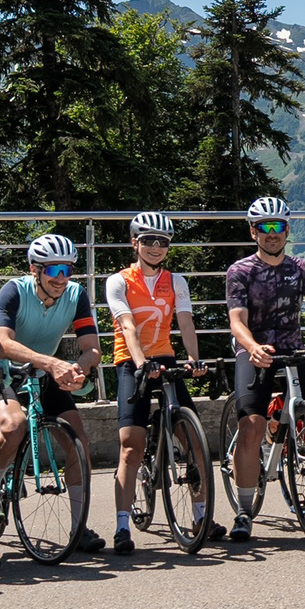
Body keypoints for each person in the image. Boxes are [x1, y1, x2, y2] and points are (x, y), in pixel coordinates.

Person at [226, 196, 305, 530]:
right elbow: (236, 320)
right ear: (253, 232)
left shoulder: (302, 268)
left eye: (277, 227)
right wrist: (251, 347)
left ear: (287, 230)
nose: (271, 233)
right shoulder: (241, 271)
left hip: (293, 349)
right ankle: (244, 513)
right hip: (255, 351)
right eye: (264, 228)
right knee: (251, 428)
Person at [0, 233, 103, 557]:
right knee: (13, 427)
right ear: (34, 269)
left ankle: (79, 527)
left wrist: (78, 369)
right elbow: (3, 343)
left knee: (79, 442)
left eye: (67, 270)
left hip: (43, 370)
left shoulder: (76, 294)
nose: (61, 279)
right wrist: (51, 362)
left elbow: (92, 348)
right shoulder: (14, 290)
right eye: (54, 271)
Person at [107, 211, 203, 548]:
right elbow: (128, 327)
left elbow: (186, 323)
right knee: (130, 446)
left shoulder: (176, 281)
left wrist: (193, 359)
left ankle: (201, 516)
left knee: (192, 436)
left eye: (162, 242)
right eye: (148, 240)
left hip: (164, 356)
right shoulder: (118, 281)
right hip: (129, 360)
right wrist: (139, 364)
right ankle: (122, 528)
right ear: (135, 243)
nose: (155, 247)